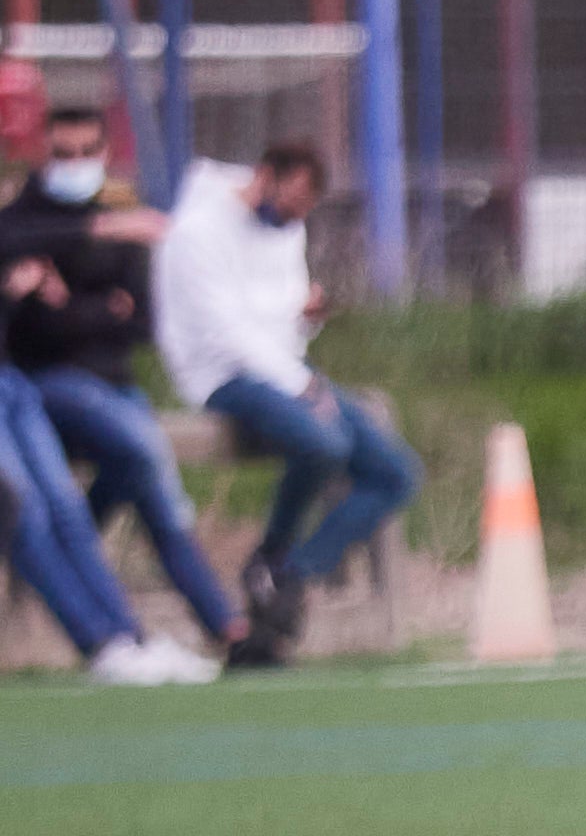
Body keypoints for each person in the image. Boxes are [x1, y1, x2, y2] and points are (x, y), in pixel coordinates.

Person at [153, 142, 416, 667]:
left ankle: (287, 572)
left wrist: (305, 317)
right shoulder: (198, 231)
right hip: (222, 376)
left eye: (303, 211)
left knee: (395, 475)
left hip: (285, 370)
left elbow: (280, 319)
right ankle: (273, 554)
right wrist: (300, 386)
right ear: (264, 176)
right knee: (323, 441)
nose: (293, 218)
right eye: (290, 202)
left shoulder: (284, 227)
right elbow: (224, 333)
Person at [4, 105, 247, 656]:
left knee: (155, 494)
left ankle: (222, 627)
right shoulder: (29, 216)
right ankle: (118, 636)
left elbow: (142, 320)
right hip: (49, 382)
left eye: (85, 151)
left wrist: (73, 305)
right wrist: (98, 304)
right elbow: (33, 325)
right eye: (61, 153)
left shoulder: (119, 207)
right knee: (128, 460)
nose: (73, 164)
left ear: (105, 152)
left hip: (112, 383)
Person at [1, 256, 206, 683]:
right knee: (25, 513)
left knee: (67, 510)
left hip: (11, 382)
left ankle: (127, 638)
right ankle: (98, 642)